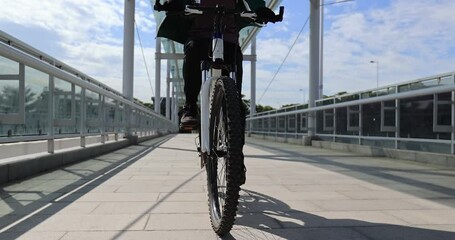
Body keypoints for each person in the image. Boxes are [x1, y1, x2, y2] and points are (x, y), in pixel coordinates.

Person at [156, 0, 270, 127]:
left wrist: (261, 11)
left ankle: (235, 105)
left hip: (228, 39)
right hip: (200, 37)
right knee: (193, 52)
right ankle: (190, 107)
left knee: (236, 58)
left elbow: (252, 4)